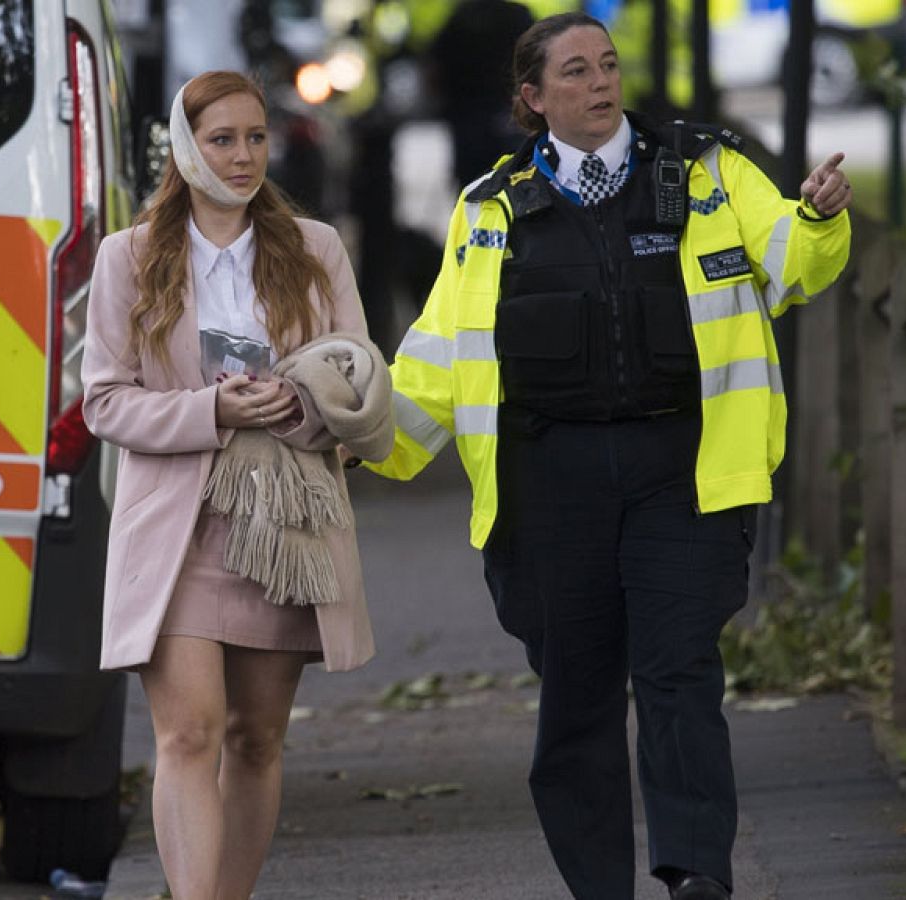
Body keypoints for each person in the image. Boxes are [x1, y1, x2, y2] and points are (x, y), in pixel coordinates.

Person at [365, 13, 852, 900]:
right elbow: (438, 359)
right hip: (551, 487)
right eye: (577, 70)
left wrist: (815, 218)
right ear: (532, 96)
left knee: (680, 674)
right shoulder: (489, 210)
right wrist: (358, 433)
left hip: (685, 472)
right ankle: (598, 886)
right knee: (578, 699)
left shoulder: (706, 172)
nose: (600, 83)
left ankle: (698, 871)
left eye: (609, 65)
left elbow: (790, 258)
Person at [81, 71, 379, 900]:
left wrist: (296, 411)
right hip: (178, 528)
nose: (244, 156)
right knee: (188, 735)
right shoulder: (129, 256)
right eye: (223, 139)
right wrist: (211, 408)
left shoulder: (314, 247)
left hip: (282, 528)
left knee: (254, 740)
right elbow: (104, 401)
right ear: (185, 147)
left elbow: (358, 386)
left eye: (256, 137)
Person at [426, 0, 537, 187]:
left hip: (471, 112)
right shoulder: (517, 15)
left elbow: (435, 66)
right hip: (504, 110)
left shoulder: (461, 17)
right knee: (516, 176)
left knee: (473, 181)